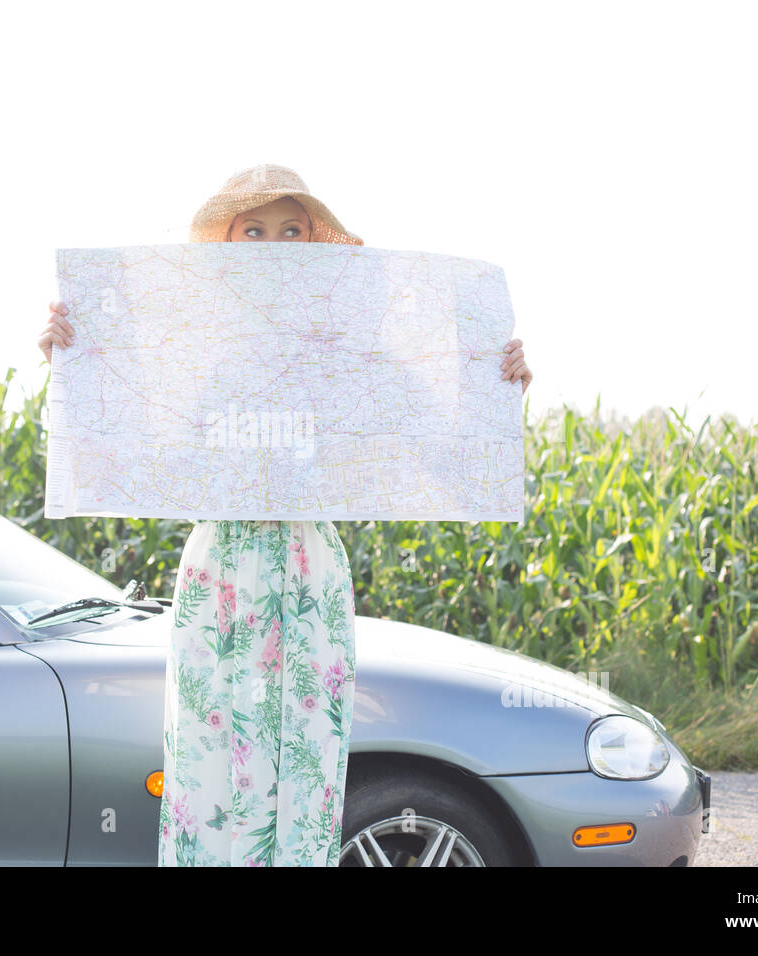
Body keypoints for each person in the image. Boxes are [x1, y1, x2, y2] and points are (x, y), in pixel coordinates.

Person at [37, 165, 532, 865]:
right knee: (210, 766)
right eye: (255, 230)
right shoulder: (191, 351)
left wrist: (495, 383)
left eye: (292, 229)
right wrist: (73, 357)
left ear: (313, 246)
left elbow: (448, 461)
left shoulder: (353, 360)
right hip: (221, 572)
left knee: (305, 759)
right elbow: (120, 449)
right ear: (231, 249)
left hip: (308, 571)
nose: (275, 242)